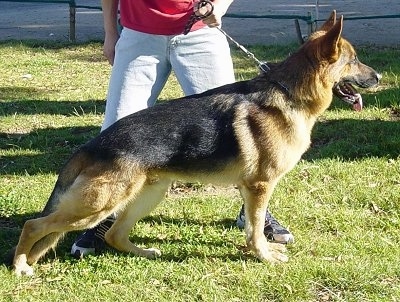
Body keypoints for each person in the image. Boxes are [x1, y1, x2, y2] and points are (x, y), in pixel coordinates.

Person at [71, 0, 294, 258]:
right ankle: (104, 218)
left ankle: (253, 213)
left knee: (231, 134)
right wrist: (110, 33)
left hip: (200, 34)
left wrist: (218, 7)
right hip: (138, 36)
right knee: (115, 130)